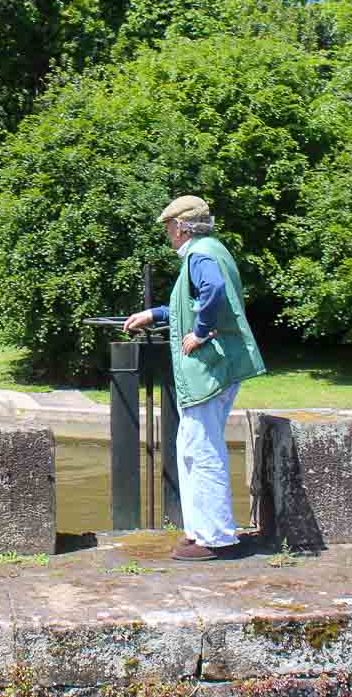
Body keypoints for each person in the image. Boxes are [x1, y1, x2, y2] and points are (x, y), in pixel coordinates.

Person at [123, 195, 265, 561]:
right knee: (192, 447)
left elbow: (213, 292)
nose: (168, 233)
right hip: (210, 369)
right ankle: (199, 531)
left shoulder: (200, 255)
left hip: (208, 368)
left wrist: (200, 332)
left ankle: (216, 538)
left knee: (201, 450)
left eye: (169, 226)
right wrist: (153, 314)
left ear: (182, 226)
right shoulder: (210, 250)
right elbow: (190, 303)